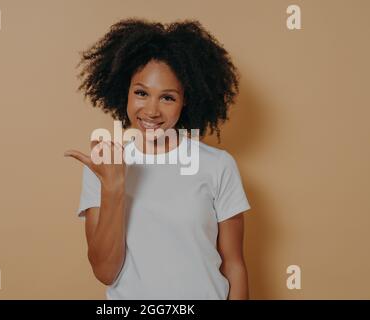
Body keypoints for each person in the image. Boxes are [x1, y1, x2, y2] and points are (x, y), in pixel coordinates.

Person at [64, 18, 252, 300]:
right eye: (141, 93)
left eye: (167, 98)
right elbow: (105, 271)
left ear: (186, 100)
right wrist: (113, 185)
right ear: (124, 90)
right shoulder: (104, 166)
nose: (151, 111)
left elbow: (234, 264)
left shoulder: (218, 165)